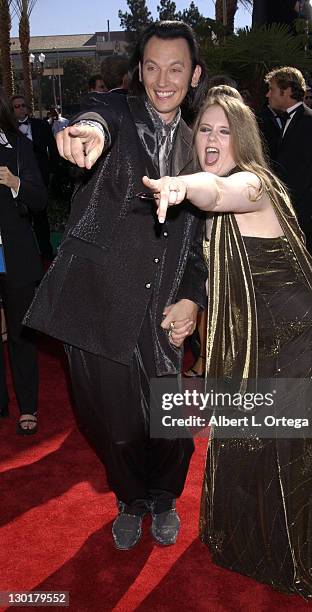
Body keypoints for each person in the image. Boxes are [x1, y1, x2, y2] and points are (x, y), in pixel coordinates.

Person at [143, 86, 312, 598]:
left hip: (298, 337)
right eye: (204, 129)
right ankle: (269, 536)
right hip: (258, 334)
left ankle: (307, 550)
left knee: (296, 448)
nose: (211, 139)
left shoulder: (253, 184)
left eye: (224, 132)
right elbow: (208, 265)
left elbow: (216, 191)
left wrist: (181, 186)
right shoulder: (226, 182)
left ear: (243, 139)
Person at [24, 21, 208, 548]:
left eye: (176, 68)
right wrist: (86, 132)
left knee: (168, 415)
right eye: (152, 68)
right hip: (100, 299)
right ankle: (130, 498)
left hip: (167, 302)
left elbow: (204, 238)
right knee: (114, 421)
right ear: (139, 72)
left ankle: (165, 496)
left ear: (194, 75)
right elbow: (95, 120)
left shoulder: (203, 144)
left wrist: (193, 296)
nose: (163, 80)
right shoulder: (119, 116)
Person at [0, 88, 46, 432]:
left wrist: (16, 182)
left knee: (20, 335)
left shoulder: (18, 146)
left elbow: (40, 199)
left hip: (14, 256)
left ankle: (28, 406)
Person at [264, 67, 312, 259]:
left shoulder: (310, 122)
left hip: (302, 218)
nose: (268, 94)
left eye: (272, 89)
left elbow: (305, 175)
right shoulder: (295, 119)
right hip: (292, 214)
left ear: (287, 91)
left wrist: (281, 205)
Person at [11, 94, 59, 260]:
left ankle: (47, 254)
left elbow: (53, 150)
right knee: (22, 221)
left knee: (41, 219)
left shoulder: (41, 126)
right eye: (17, 106)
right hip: (18, 182)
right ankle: (27, 257)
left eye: (23, 105)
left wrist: (52, 172)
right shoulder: (8, 130)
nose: (21, 108)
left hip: (40, 180)